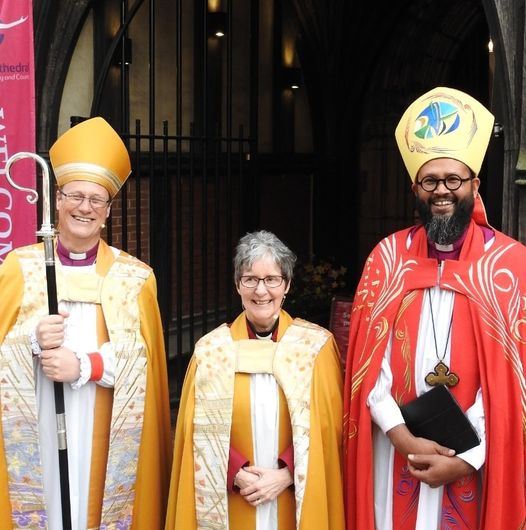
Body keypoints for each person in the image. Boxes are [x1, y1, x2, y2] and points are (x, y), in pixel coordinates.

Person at [343, 86, 526, 529]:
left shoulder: (509, 264)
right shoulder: (387, 259)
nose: (441, 191)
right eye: (430, 181)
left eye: (453, 180)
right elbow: (368, 366)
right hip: (396, 455)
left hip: (477, 458)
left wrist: (467, 457)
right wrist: (402, 437)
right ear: (415, 189)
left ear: (474, 186)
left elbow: (513, 378)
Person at [0, 117, 172, 529]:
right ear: (57, 200)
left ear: (109, 211)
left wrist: (85, 366)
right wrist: (32, 340)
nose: (85, 208)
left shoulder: (136, 278)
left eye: (97, 200)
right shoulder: (20, 268)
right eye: (76, 196)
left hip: (107, 425)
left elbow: (145, 364)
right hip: (39, 425)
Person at [165, 230, 345, 530]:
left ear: (287, 284)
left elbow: (330, 427)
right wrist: (235, 472)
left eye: (272, 279)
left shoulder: (315, 348)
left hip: (292, 493)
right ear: (238, 285)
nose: (261, 291)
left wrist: (287, 473)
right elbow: (193, 431)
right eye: (250, 279)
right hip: (234, 495)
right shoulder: (211, 351)